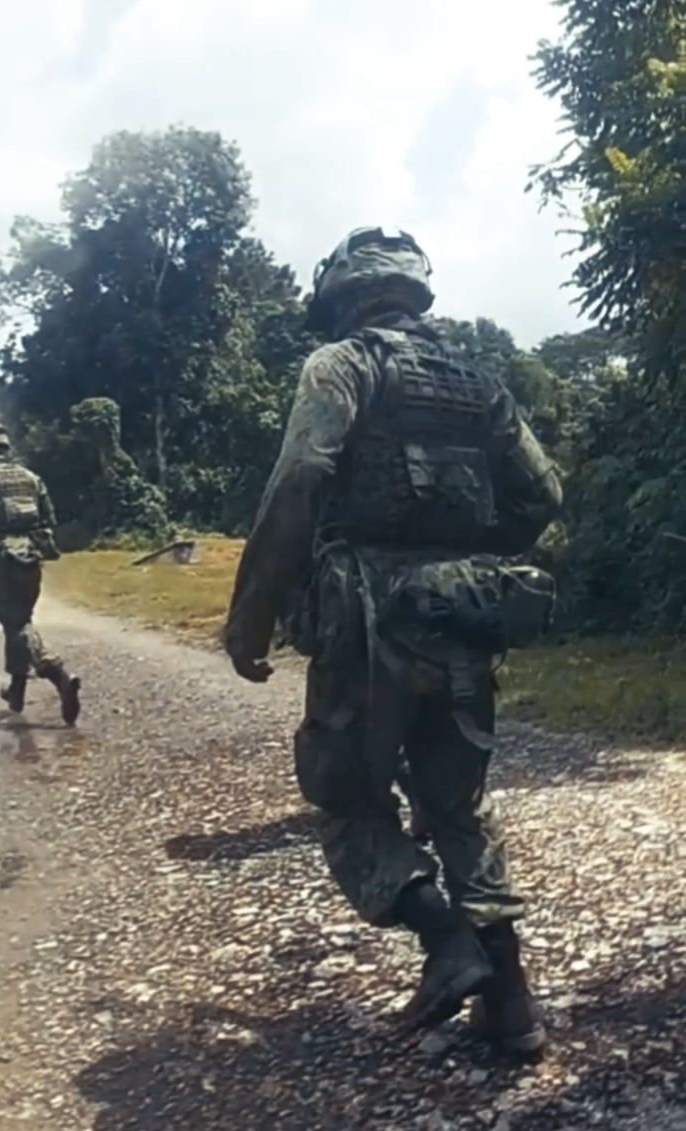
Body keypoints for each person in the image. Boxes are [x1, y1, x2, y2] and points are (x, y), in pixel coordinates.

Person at [222, 228, 562, 1057]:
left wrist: (252, 614)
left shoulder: (341, 366)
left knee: (348, 800)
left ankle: (444, 940)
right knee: (458, 803)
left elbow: (300, 477)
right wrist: (468, 555)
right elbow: (543, 494)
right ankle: (510, 1004)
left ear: (343, 297)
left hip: (367, 621)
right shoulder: (480, 384)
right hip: (463, 616)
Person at [0, 422, 80, 725]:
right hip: (31, 556)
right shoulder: (31, 478)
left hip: (0, 561)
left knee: (16, 623)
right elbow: (49, 519)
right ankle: (16, 691)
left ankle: (57, 674)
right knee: (19, 620)